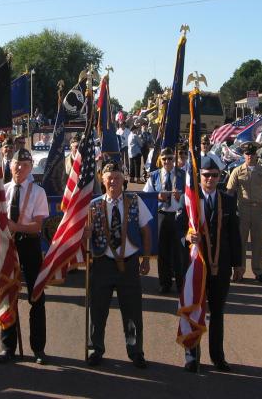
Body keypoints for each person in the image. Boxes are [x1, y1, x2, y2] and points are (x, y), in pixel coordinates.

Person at [85, 162, 152, 369]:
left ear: (123, 180)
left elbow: (146, 231)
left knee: (132, 311)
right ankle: (96, 349)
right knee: (98, 310)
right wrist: (85, 236)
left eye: (117, 177)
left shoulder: (134, 201)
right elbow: (86, 237)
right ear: (102, 181)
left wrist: (147, 258)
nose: (113, 181)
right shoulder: (94, 205)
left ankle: (135, 351)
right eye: (109, 178)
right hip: (102, 264)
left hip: (129, 265)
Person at [180, 154, 243, 372]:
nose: (210, 179)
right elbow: (178, 229)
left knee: (217, 312)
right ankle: (191, 355)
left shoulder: (227, 200)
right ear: (200, 177)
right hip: (197, 265)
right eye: (206, 175)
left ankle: (218, 356)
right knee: (195, 308)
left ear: (219, 177)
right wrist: (187, 238)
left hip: (221, 266)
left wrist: (238, 263)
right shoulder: (190, 199)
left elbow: (235, 233)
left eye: (215, 175)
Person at [0, 148, 49, 364]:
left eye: (25, 165)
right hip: (8, 247)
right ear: (10, 166)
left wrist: (15, 226)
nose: (20, 168)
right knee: (8, 296)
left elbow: (37, 227)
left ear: (31, 169)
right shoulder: (3, 191)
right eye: (17, 164)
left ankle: (38, 348)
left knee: (36, 296)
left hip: (29, 246)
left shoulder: (38, 192)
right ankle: (7, 347)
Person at [226, 141, 262, 283]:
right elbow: (230, 192)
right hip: (242, 209)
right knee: (240, 241)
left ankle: (258, 271)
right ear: (244, 155)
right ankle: (240, 270)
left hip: (258, 210)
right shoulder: (237, 171)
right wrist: (228, 210)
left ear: (256, 155)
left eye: (252, 154)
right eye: (247, 154)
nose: (250, 156)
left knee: (258, 242)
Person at [143, 147, 185, 293]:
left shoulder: (182, 174)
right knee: (163, 252)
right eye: (164, 159)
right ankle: (165, 283)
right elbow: (145, 196)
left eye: (170, 158)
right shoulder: (154, 176)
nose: (167, 161)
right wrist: (157, 196)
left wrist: (182, 198)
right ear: (160, 160)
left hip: (177, 216)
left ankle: (182, 284)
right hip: (161, 215)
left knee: (179, 252)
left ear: (174, 159)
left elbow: (190, 195)